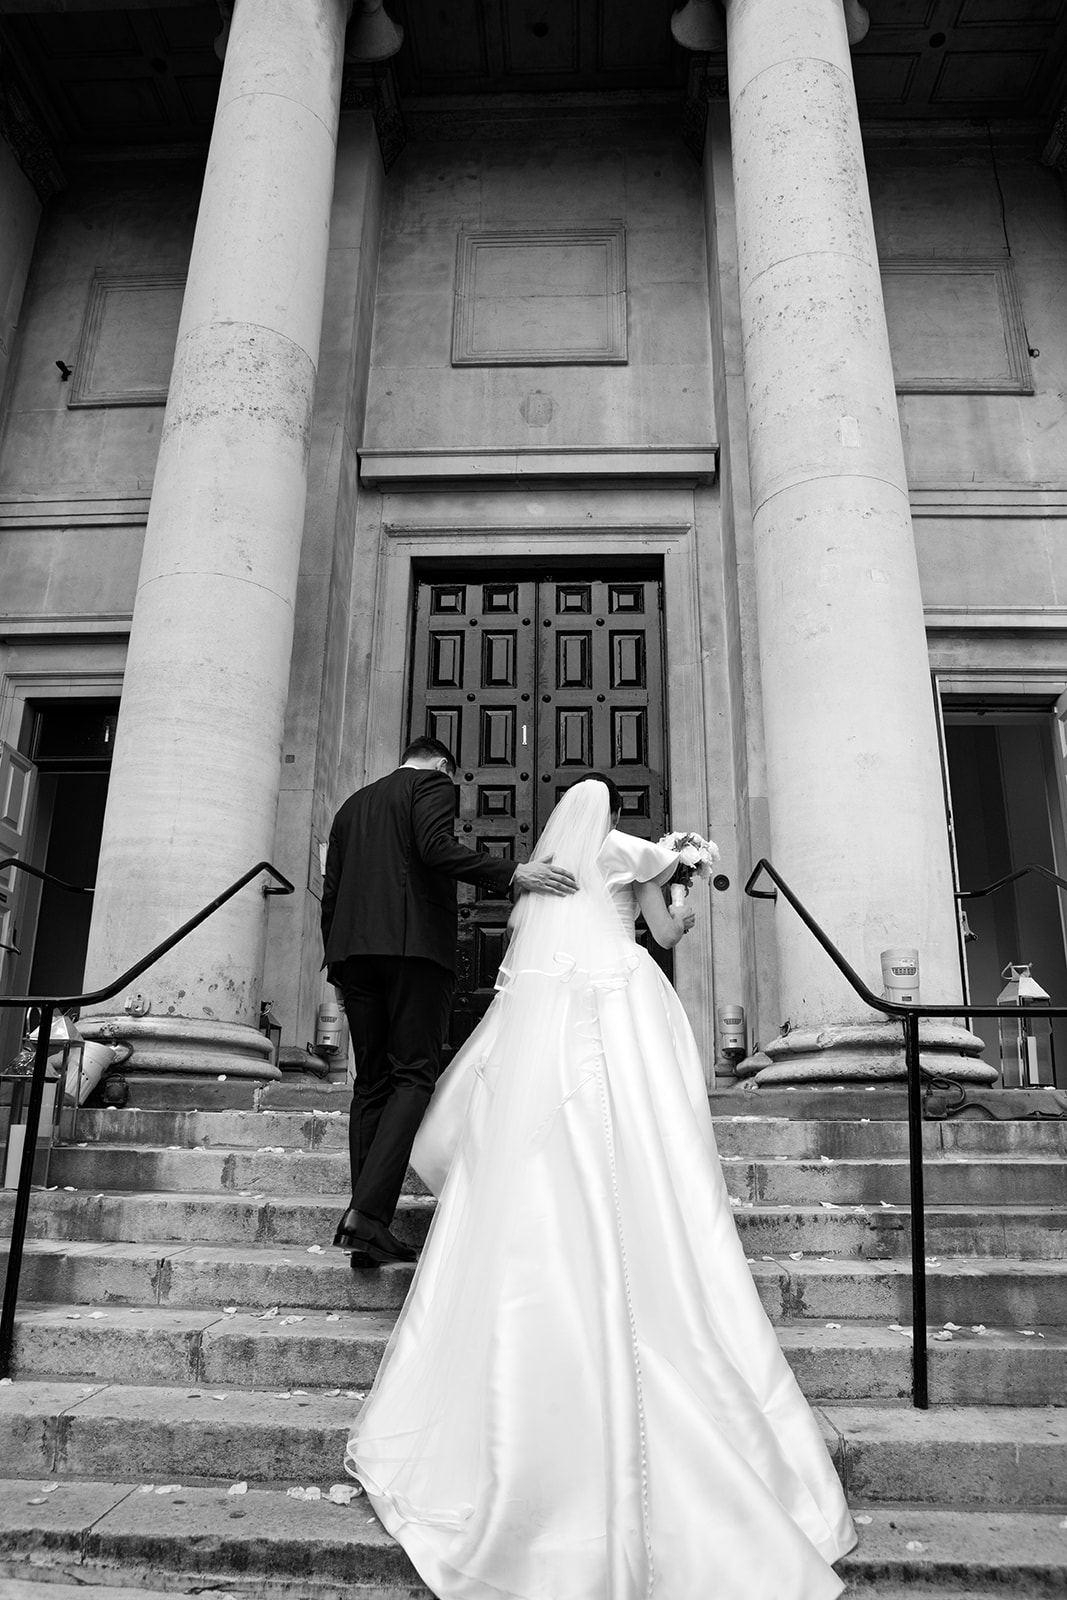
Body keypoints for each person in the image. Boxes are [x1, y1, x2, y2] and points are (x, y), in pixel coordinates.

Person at [345, 773, 857, 1599]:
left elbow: (536, 940)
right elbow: (665, 933)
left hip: (556, 1024)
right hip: (623, 1001)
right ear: (617, 813)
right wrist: (680, 890)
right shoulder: (637, 852)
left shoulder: (552, 862)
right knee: (645, 1129)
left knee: (555, 1144)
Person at [321, 735, 577, 1269]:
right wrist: (514, 872)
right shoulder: (432, 783)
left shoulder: (351, 806)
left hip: (355, 956)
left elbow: (332, 892)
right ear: (442, 765)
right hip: (414, 952)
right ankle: (367, 1218)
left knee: (370, 1084)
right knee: (413, 1076)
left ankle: (365, 1219)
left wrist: (339, 970)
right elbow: (435, 848)